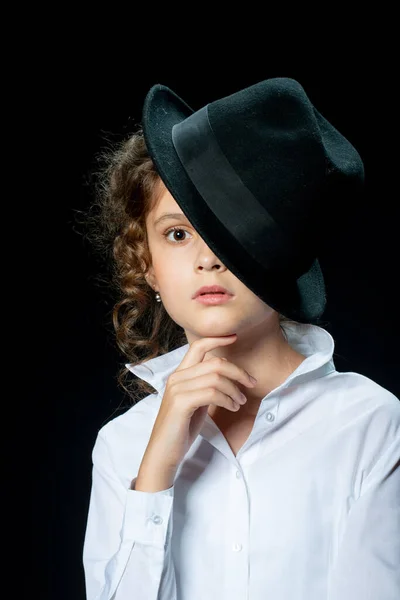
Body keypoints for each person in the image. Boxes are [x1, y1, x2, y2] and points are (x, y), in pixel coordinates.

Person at [81, 77, 400, 600]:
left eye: (230, 227)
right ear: (149, 267)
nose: (206, 258)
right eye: (177, 234)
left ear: (283, 258)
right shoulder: (123, 447)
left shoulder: (369, 425)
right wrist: (156, 471)